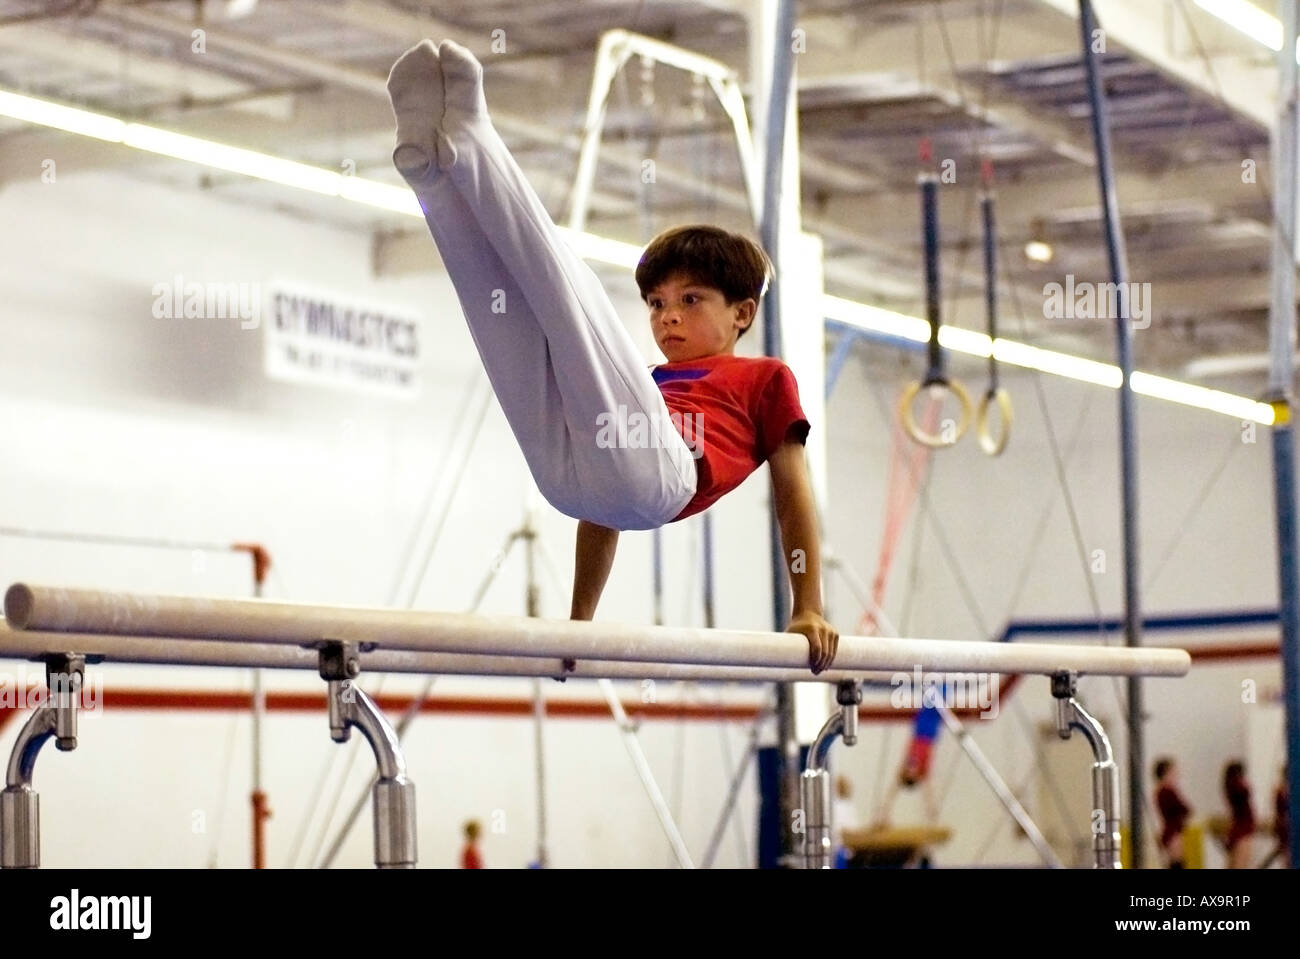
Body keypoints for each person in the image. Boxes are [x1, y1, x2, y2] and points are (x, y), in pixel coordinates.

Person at [385, 39, 837, 671]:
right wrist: (580, 624)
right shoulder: (645, 385)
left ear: (743, 313)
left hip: (663, 480)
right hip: (585, 485)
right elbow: (602, 513)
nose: (667, 315)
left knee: (556, 306)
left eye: (690, 299)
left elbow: (793, 492)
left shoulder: (766, 378)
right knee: (509, 316)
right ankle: (433, 168)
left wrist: (808, 603)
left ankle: (470, 145)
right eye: (655, 303)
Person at [1152, 757, 1191, 869]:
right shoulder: (1167, 791)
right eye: (1174, 771)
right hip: (1172, 831)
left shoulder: (1160, 790)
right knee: (1176, 863)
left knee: (1175, 862)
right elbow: (1185, 809)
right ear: (1166, 772)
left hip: (1171, 830)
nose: (1177, 774)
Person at [1223, 760, 1255, 869]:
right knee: (1240, 864)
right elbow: (1245, 791)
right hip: (1242, 829)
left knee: (1234, 863)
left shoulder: (1231, 786)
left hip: (1238, 828)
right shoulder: (1237, 787)